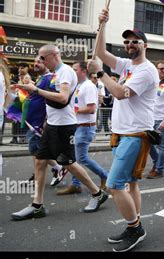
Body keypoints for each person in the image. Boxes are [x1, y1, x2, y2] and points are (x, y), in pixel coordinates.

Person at [10, 45, 109, 221]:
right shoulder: (56, 73)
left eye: (43, 58)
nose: (40, 61)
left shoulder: (65, 72)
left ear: (54, 55)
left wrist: (36, 90)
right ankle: (37, 205)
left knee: (68, 163)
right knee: (40, 162)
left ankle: (97, 193)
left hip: (64, 126)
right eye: (39, 58)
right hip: (52, 125)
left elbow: (63, 98)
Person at [88, 9, 159, 252]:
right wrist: (102, 24)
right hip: (124, 133)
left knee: (114, 184)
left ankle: (135, 227)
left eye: (134, 41)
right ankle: (133, 226)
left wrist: (99, 74)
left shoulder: (147, 70)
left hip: (135, 135)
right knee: (131, 184)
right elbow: (100, 53)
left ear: (145, 45)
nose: (129, 45)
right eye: (126, 41)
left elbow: (119, 93)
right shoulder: (127, 65)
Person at [56, 62, 109, 195]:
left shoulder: (89, 86)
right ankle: (76, 184)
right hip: (77, 127)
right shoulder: (78, 86)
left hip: (85, 128)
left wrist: (73, 111)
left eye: (75, 70)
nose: (71, 72)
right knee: (74, 158)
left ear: (84, 71)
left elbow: (91, 109)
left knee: (82, 158)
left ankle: (105, 176)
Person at [21, 56, 65, 187]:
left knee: (40, 151)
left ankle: (59, 167)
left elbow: (50, 100)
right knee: (35, 150)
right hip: (32, 122)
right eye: (35, 62)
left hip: (38, 123)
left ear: (47, 63)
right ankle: (40, 176)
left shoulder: (49, 78)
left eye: (39, 62)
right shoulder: (41, 78)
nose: (35, 64)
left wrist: (46, 119)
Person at [146, 60, 164, 179]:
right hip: (149, 119)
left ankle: (159, 169)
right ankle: (157, 163)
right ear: (156, 69)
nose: (163, 70)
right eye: (160, 68)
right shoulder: (153, 82)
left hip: (161, 119)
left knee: (162, 145)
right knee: (147, 143)